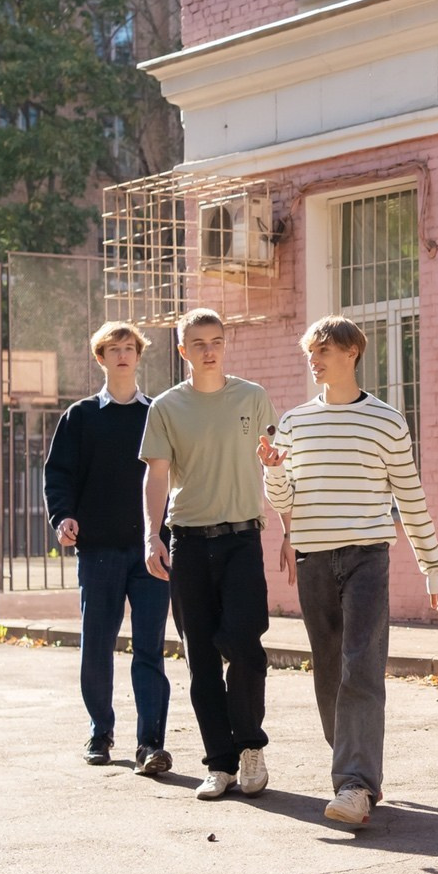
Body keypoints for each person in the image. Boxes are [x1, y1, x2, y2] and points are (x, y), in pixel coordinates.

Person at [259, 316, 438, 828]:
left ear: (351, 352)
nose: (314, 359)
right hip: (314, 560)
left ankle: (354, 783)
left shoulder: (387, 421)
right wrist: (274, 471)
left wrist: (434, 568)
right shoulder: (296, 422)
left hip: (368, 557)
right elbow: (286, 503)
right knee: (328, 671)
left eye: (322, 350)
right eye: (310, 352)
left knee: (360, 667)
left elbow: (410, 498)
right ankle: (353, 763)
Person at [140, 308, 279, 802]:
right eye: (197, 343)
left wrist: (287, 528)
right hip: (188, 541)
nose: (208, 349)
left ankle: (250, 749)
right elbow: (156, 475)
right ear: (182, 351)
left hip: (242, 538)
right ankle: (218, 763)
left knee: (244, 645)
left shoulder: (253, 397)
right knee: (200, 656)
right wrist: (150, 535)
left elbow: (276, 468)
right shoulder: (166, 407)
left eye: (216, 340)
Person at [43, 321, 173, 775]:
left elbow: (174, 477)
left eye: (129, 348)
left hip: (151, 552)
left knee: (150, 649)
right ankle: (100, 732)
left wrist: (166, 533)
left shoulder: (157, 413)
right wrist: (63, 518)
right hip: (97, 550)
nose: (122, 354)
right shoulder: (80, 416)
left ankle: (151, 744)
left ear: (139, 356)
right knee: (96, 645)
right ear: (100, 358)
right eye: (113, 349)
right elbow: (58, 475)